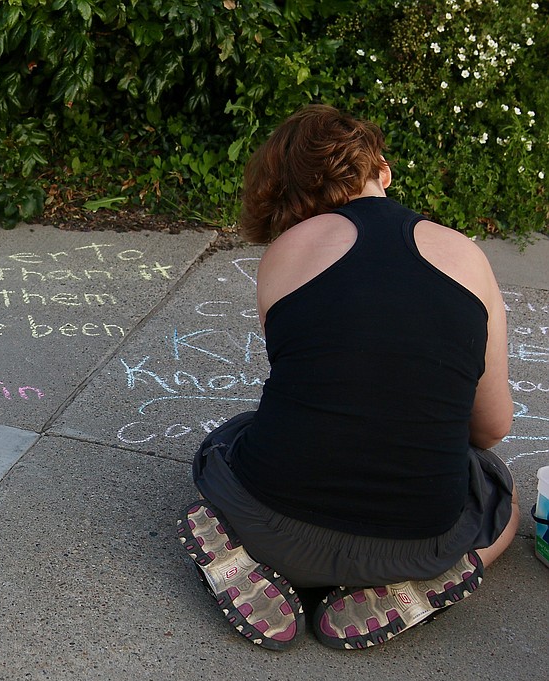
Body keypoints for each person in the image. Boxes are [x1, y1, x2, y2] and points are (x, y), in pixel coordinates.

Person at [177, 104, 520, 650]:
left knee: (233, 437)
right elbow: (492, 427)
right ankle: (424, 581)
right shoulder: (467, 256)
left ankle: (234, 550)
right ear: (382, 170)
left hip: (269, 524)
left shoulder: (286, 253)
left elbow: (322, 386)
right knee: (502, 498)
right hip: (415, 541)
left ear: (284, 195)